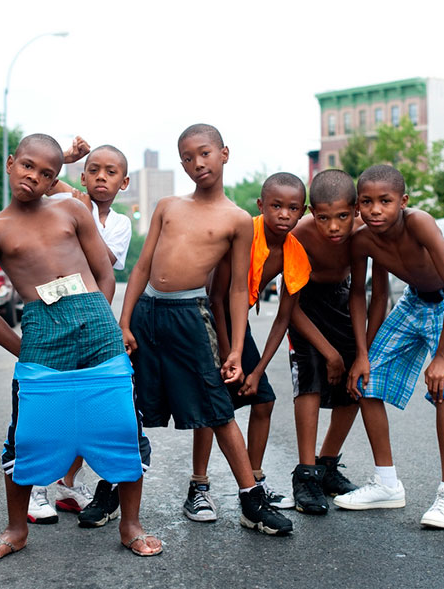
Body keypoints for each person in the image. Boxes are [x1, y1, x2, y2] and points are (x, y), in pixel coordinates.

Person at [0, 133, 160, 558]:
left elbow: (106, 272)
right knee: (28, 436)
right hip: (40, 330)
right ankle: (16, 529)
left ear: (56, 178)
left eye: (46, 174)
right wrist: (26, 350)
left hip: (96, 322)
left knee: (123, 428)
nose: (33, 177)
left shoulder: (72, 209)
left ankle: (130, 524)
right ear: (10, 163)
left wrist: (98, 317)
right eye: (27, 166)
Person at [119, 123, 293, 536]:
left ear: (224, 154)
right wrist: (124, 322)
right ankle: (113, 492)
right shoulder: (167, 206)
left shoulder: (237, 220)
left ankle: (251, 501)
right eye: (187, 157)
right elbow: (142, 267)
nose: (197, 163)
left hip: (190, 316)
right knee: (128, 406)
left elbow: (235, 288)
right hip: (147, 313)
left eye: (205, 154)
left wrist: (233, 349)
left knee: (217, 407)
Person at [334, 164, 444, 530]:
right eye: (366, 202)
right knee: (366, 382)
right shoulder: (363, 240)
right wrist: (362, 355)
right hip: (414, 301)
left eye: (385, 201)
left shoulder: (420, 223)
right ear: (357, 207)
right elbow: (369, 294)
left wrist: (442, 357)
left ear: (403, 201)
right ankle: (386, 483)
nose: (375, 209)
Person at [185, 172, 310, 522]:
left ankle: (253, 484)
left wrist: (255, 371)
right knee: (214, 405)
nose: (284, 214)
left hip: (237, 324)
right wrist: (229, 355)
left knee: (264, 399)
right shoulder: (244, 232)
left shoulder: (294, 253)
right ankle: (199, 486)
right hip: (206, 318)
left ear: (303, 212)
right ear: (261, 206)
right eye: (276, 206)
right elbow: (217, 297)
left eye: (293, 208)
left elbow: (283, 318)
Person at [38, 144, 134, 528]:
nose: (100, 177)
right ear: (81, 174)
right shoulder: (65, 198)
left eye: (110, 172)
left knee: (88, 407)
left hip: (94, 319)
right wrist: (65, 154)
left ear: (123, 182)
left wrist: (83, 216)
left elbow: (104, 262)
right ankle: (35, 488)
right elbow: (40, 176)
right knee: (52, 405)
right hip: (56, 310)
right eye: (93, 170)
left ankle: (67, 483)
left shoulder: (120, 223)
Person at [286, 169, 364, 516]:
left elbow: (365, 291)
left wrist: (361, 352)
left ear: (357, 210)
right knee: (311, 378)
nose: (334, 227)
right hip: (303, 305)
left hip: (344, 301)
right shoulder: (299, 235)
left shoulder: (364, 232)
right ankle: (306, 474)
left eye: (343, 217)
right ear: (310, 213)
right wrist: (328, 352)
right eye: (324, 218)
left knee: (355, 380)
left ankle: (327, 464)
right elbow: (291, 306)